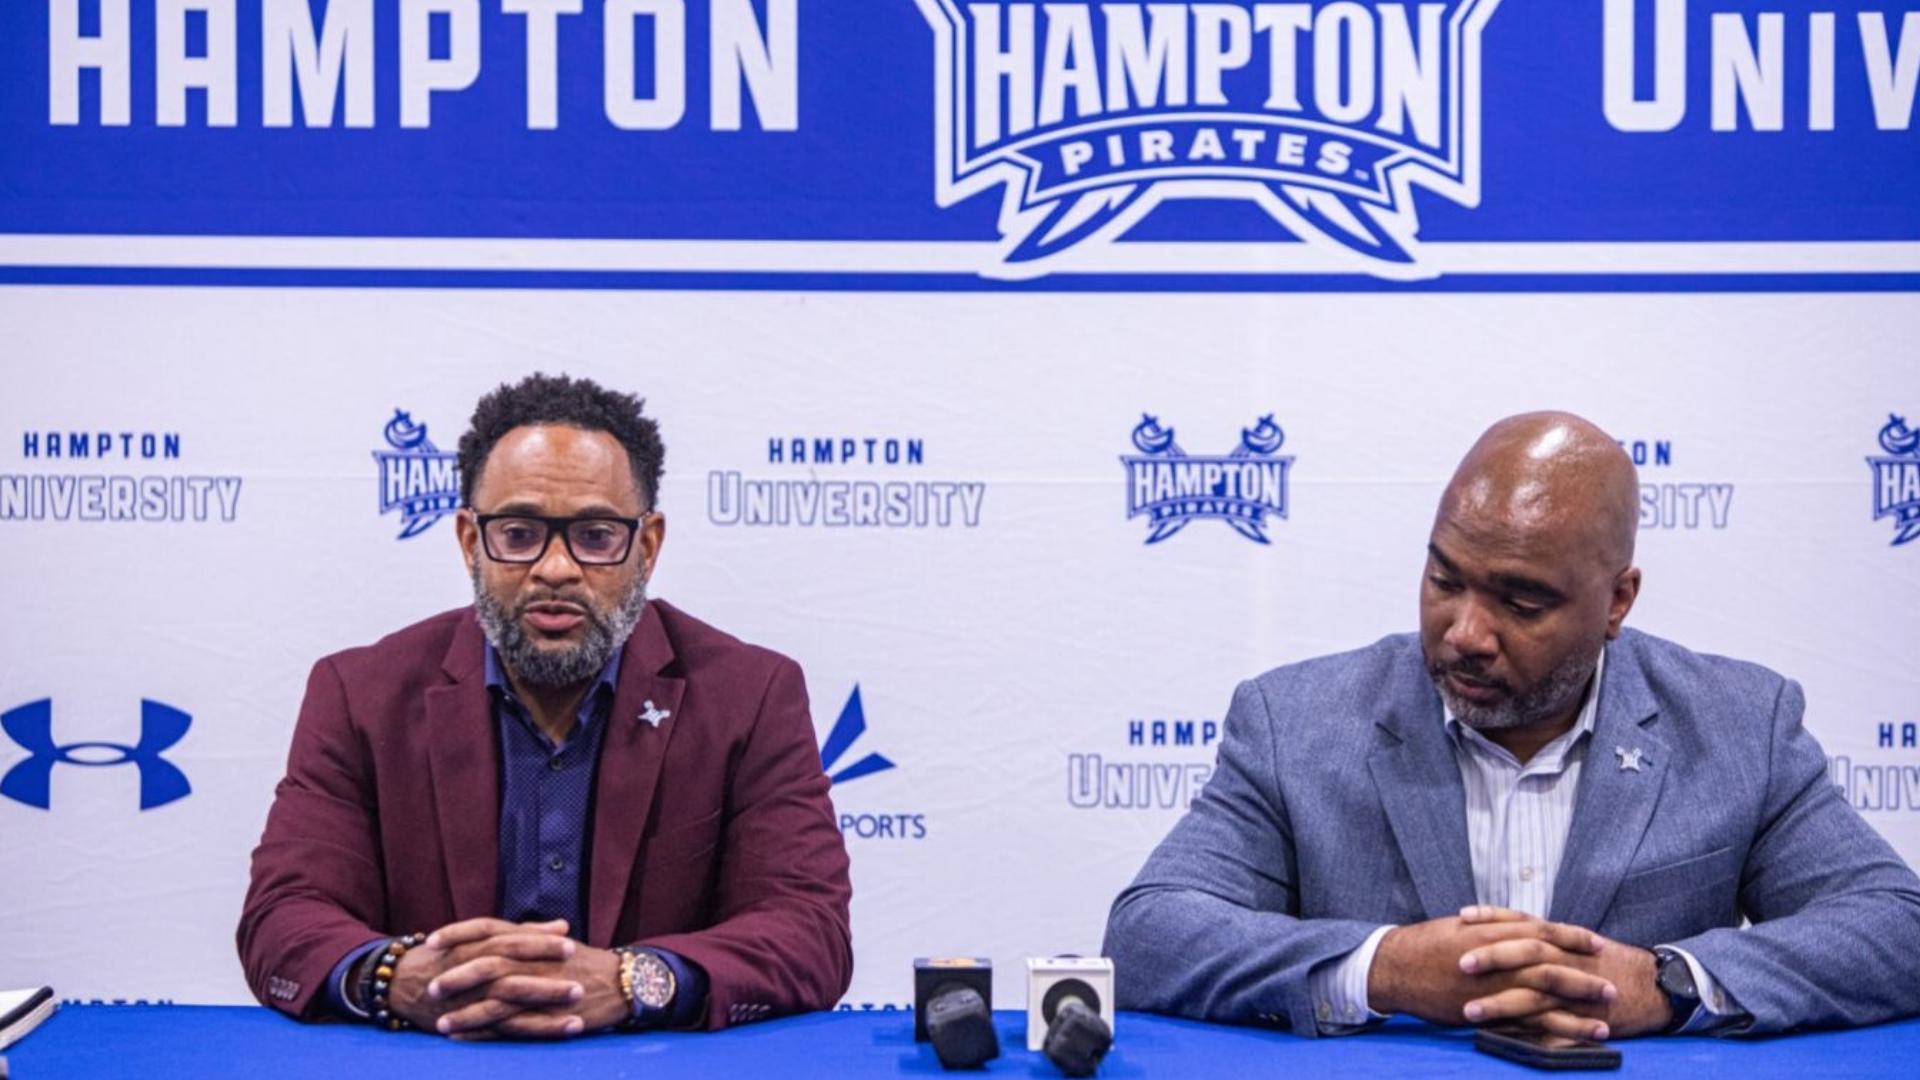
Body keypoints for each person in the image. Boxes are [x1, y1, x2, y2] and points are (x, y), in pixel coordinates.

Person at [1104, 412, 1920, 1040]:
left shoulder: (1742, 724)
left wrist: (1665, 983)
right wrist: (1381, 969)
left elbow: (1895, 927)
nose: (1464, 633)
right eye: (1443, 580)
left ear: (1618, 601)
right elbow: (1150, 933)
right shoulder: (1295, 722)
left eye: (1521, 602)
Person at [238, 374, 852, 1038]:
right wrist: (401, 975)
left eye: (594, 536)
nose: (556, 569)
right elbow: (283, 914)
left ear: (646, 547)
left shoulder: (749, 696)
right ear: (471, 541)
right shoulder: (360, 695)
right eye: (521, 532)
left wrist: (634, 980)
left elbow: (808, 929)